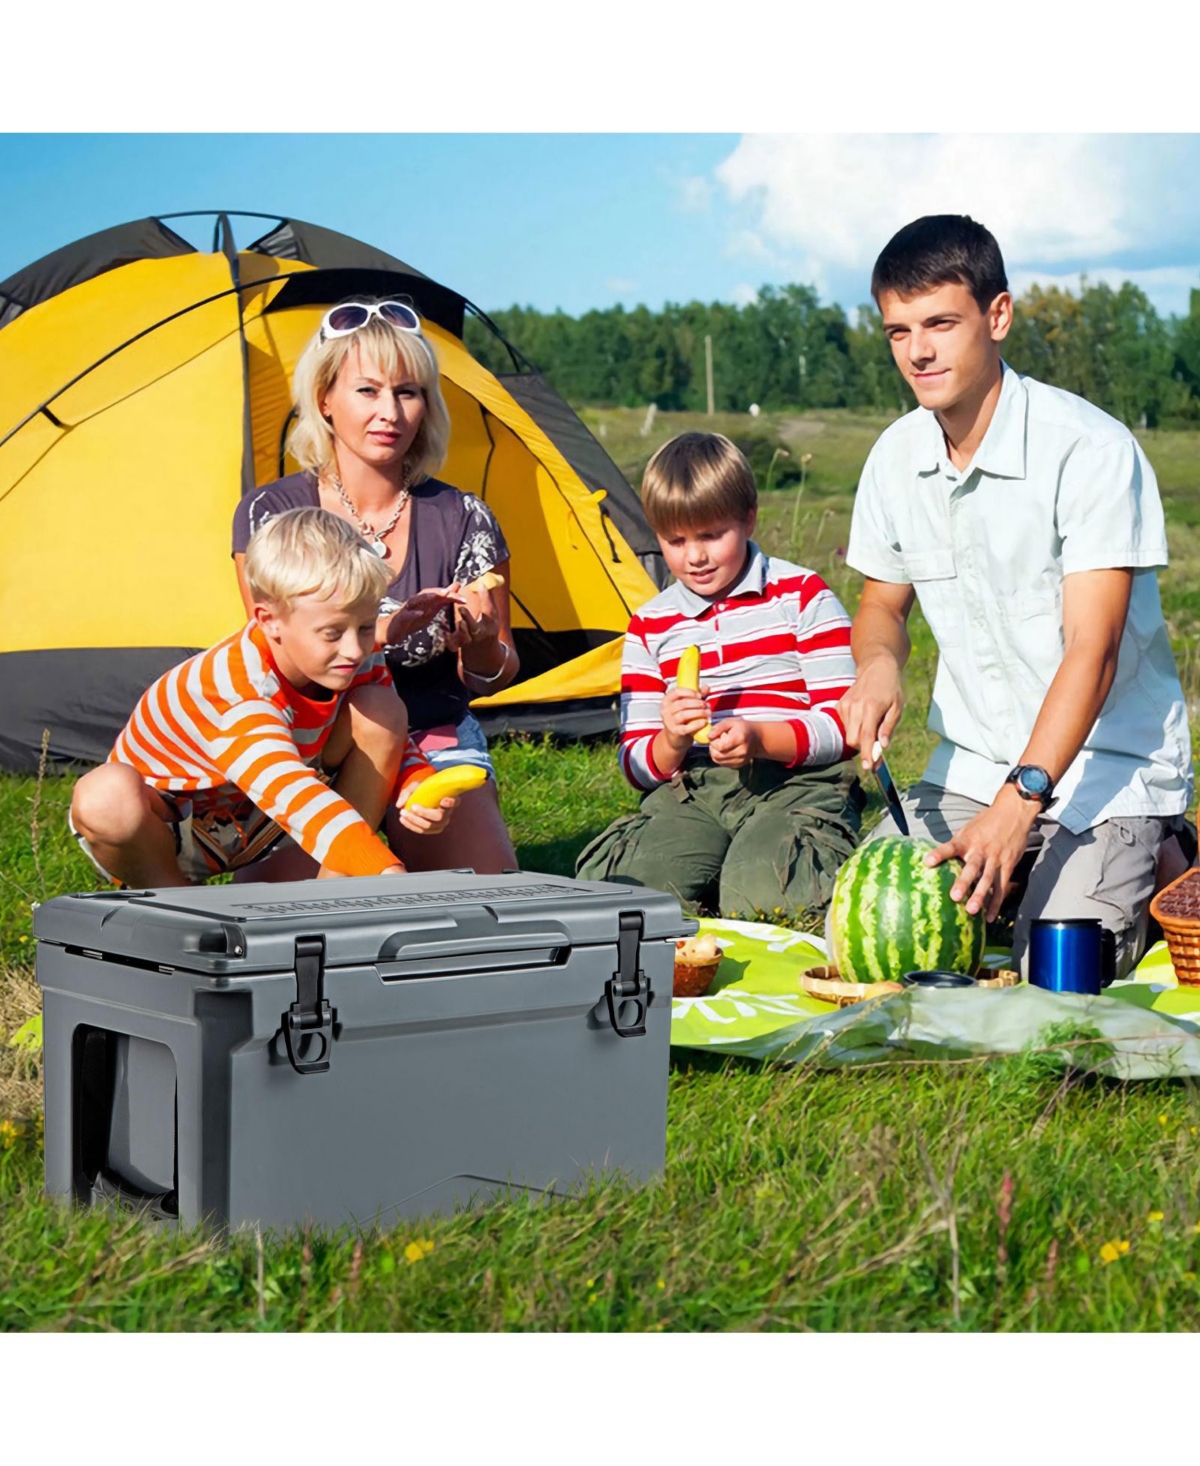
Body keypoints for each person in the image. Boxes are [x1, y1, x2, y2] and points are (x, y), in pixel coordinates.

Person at [839, 214, 1194, 979]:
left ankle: (1160, 847)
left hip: (1106, 766)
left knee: (1054, 968)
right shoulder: (894, 457)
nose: (919, 352)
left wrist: (1020, 801)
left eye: (940, 323)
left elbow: (1093, 654)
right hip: (970, 766)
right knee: (883, 944)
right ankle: (1110, 864)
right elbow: (881, 607)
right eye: (898, 331)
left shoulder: (1090, 451)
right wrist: (876, 664)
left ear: (998, 315)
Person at [231, 297, 519, 874]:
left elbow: (494, 673)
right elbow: (272, 659)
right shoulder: (271, 514)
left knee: (485, 905)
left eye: (407, 392)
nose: (390, 411)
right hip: (316, 744)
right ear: (324, 400)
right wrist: (383, 632)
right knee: (294, 920)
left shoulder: (464, 516)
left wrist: (483, 643)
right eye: (368, 391)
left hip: (434, 734)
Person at [70, 509, 459, 888]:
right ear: (269, 620)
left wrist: (414, 783)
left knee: (381, 708)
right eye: (331, 633)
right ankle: (177, 909)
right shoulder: (237, 688)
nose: (355, 649)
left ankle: (335, 894)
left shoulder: (351, 658)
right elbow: (286, 787)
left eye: (366, 626)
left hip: (265, 819)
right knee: (105, 796)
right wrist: (380, 866)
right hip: (175, 828)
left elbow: (391, 740)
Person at [576, 432, 864, 919]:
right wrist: (670, 737)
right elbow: (636, 763)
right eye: (676, 541)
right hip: (692, 789)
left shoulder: (803, 597)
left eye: (711, 535)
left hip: (792, 782)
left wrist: (761, 737)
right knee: (626, 898)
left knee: (765, 896)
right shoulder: (650, 626)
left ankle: (752, 872)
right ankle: (711, 870)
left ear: (748, 518)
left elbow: (844, 725)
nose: (696, 557)